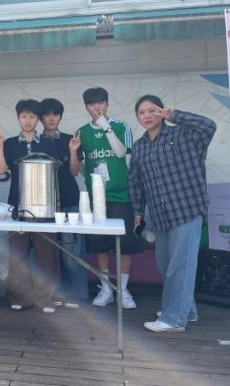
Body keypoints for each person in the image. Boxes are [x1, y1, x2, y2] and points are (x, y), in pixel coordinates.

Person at [129, 95, 216, 333]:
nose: (147, 116)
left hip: (187, 209)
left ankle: (173, 319)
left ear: (161, 111)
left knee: (180, 265)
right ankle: (187, 310)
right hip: (160, 215)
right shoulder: (139, 146)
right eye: (142, 113)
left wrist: (174, 115)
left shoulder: (185, 135)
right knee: (166, 265)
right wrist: (138, 211)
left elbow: (209, 125)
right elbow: (135, 182)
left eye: (152, 110)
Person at [76, 87, 141, 309]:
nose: (97, 107)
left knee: (125, 244)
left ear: (107, 103)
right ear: (86, 107)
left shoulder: (122, 126)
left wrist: (105, 126)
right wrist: (91, 179)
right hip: (96, 198)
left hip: (121, 195)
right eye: (92, 104)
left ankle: (123, 290)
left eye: (101, 102)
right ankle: (105, 289)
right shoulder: (82, 132)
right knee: (99, 245)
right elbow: (80, 165)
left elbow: (121, 153)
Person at [0, 99, 60, 313]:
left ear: (38, 119)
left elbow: (55, 171)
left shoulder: (48, 143)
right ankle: (19, 297)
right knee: (18, 253)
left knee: (46, 253)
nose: (28, 120)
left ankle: (44, 298)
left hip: (45, 206)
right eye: (24, 116)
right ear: (18, 118)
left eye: (32, 116)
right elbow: (1, 170)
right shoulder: (11, 143)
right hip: (18, 204)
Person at [40, 97, 88, 308]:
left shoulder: (71, 139)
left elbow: (75, 171)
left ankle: (75, 295)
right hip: (43, 204)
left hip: (69, 200)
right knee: (48, 252)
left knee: (72, 251)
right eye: (47, 115)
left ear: (60, 117)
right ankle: (53, 294)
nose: (51, 119)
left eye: (55, 114)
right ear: (41, 118)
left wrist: (73, 151)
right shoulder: (36, 141)